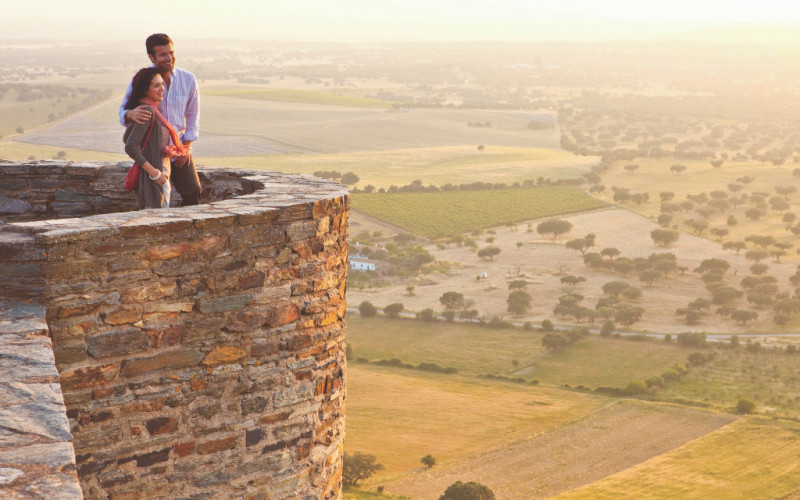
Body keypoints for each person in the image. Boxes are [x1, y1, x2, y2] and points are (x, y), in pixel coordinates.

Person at [119, 33, 201, 206]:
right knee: (155, 200)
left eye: (171, 52)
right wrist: (129, 114)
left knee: (193, 191)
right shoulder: (144, 79)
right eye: (163, 54)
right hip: (153, 153)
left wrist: (187, 147)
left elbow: (193, 115)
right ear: (151, 56)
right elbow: (124, 109)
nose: (169, 58)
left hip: (178, 149)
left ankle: (186, 231)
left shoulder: (188, 79)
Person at [123, 67, 176, 208]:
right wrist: (155, 173)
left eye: (162, 84)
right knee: (156, 220)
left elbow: (128, 138)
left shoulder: (149, 110)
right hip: (154, 177)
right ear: (145, 89)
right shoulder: (147, 111)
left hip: (160, 172)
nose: (162, 89)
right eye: (156, 85)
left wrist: (162, 149)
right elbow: (130, 146)